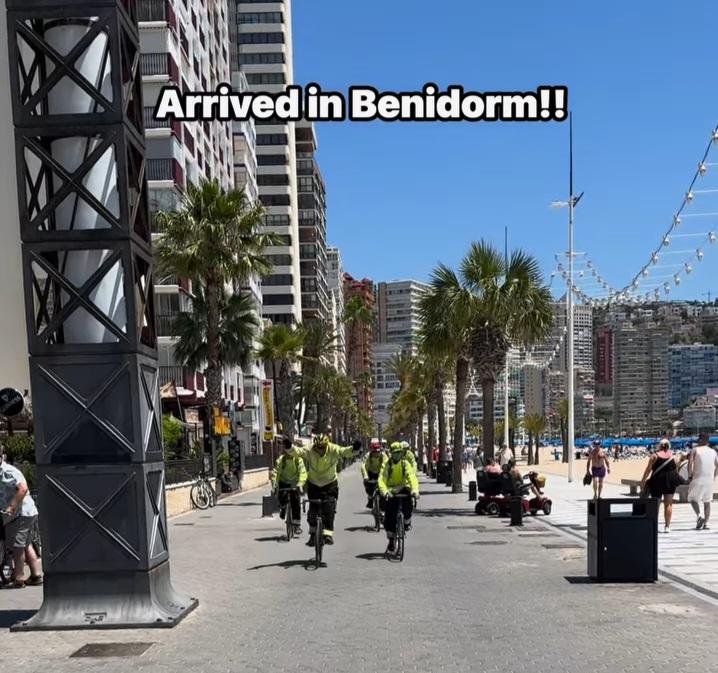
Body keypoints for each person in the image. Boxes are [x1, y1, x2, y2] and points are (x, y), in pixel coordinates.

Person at [292, 434, 361, 546]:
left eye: (323, 447)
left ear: (327, 445)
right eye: (318, 447)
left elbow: (344, 452)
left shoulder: (333, 449)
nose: (320, 450)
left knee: (329, 509)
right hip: (314, 484)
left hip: (330, 484)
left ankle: (328, 535)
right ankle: (313, 535)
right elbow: (298, 452)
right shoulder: (309, 449)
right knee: (312, 512)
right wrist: (288, 447)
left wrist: (355, 448)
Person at [0, 455, 42, 588]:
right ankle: (36, 575)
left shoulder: (7, 471)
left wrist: (11, 507)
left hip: (21, 512)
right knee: (26, 544)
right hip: (25, 512)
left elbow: (23, 488)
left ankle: (19, 578)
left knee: (17, 546)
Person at [379, 442, 419, 553]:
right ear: (391, 453)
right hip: (391, 491)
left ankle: (407, 522)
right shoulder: (387, 464)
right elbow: (382, 479)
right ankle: (391, 541)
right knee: (389, 517)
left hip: (404, 488)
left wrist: (415, 490)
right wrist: (385, 491)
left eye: (399, 453)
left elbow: (412, 477)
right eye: (395, 453)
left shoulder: (405, 463)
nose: (397, 455)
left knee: (408, 506)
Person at [640, 438, 678, 533]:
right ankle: (667, 526)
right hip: (670, 481)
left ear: (660, 446)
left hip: (657, 481)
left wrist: (643, 481)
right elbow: (675, 469)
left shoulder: (654, 456)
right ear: (669, 446)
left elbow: (648, 469)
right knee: (668, 503)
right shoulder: (673, 456)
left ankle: (654, 525)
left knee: (656, 503)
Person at [271, 436, 307, 536]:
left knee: (296, 502)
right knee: (282, 497)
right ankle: (283, 508)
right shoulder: (281, 460)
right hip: (284, 482)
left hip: (295, 483)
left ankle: (296, 525)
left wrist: (300, 484)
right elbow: (276, 473)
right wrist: (274, 485)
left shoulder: (298, 460)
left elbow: (303, 472)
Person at [688, 434, 718, 530]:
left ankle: (699, 515)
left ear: (701, 440)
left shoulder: (695, 450)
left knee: (692, 499)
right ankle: (706, 523)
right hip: (709, 479)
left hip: (698, 477)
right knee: (707, 501)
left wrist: (690, 475)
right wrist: (714, 476)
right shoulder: (713, 451)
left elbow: (690, 463)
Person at [361, 442, 387, 508]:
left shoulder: (383, 456)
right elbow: (363, 466)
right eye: (374, 452)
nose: (376, 453)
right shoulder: (368, 456)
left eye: (377, 452)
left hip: (380, 472)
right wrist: (365, 477)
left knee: (383, 488)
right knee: (368, 486)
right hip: (371, 473)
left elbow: (386, 466)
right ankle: (370, 499)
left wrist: (383, 476)